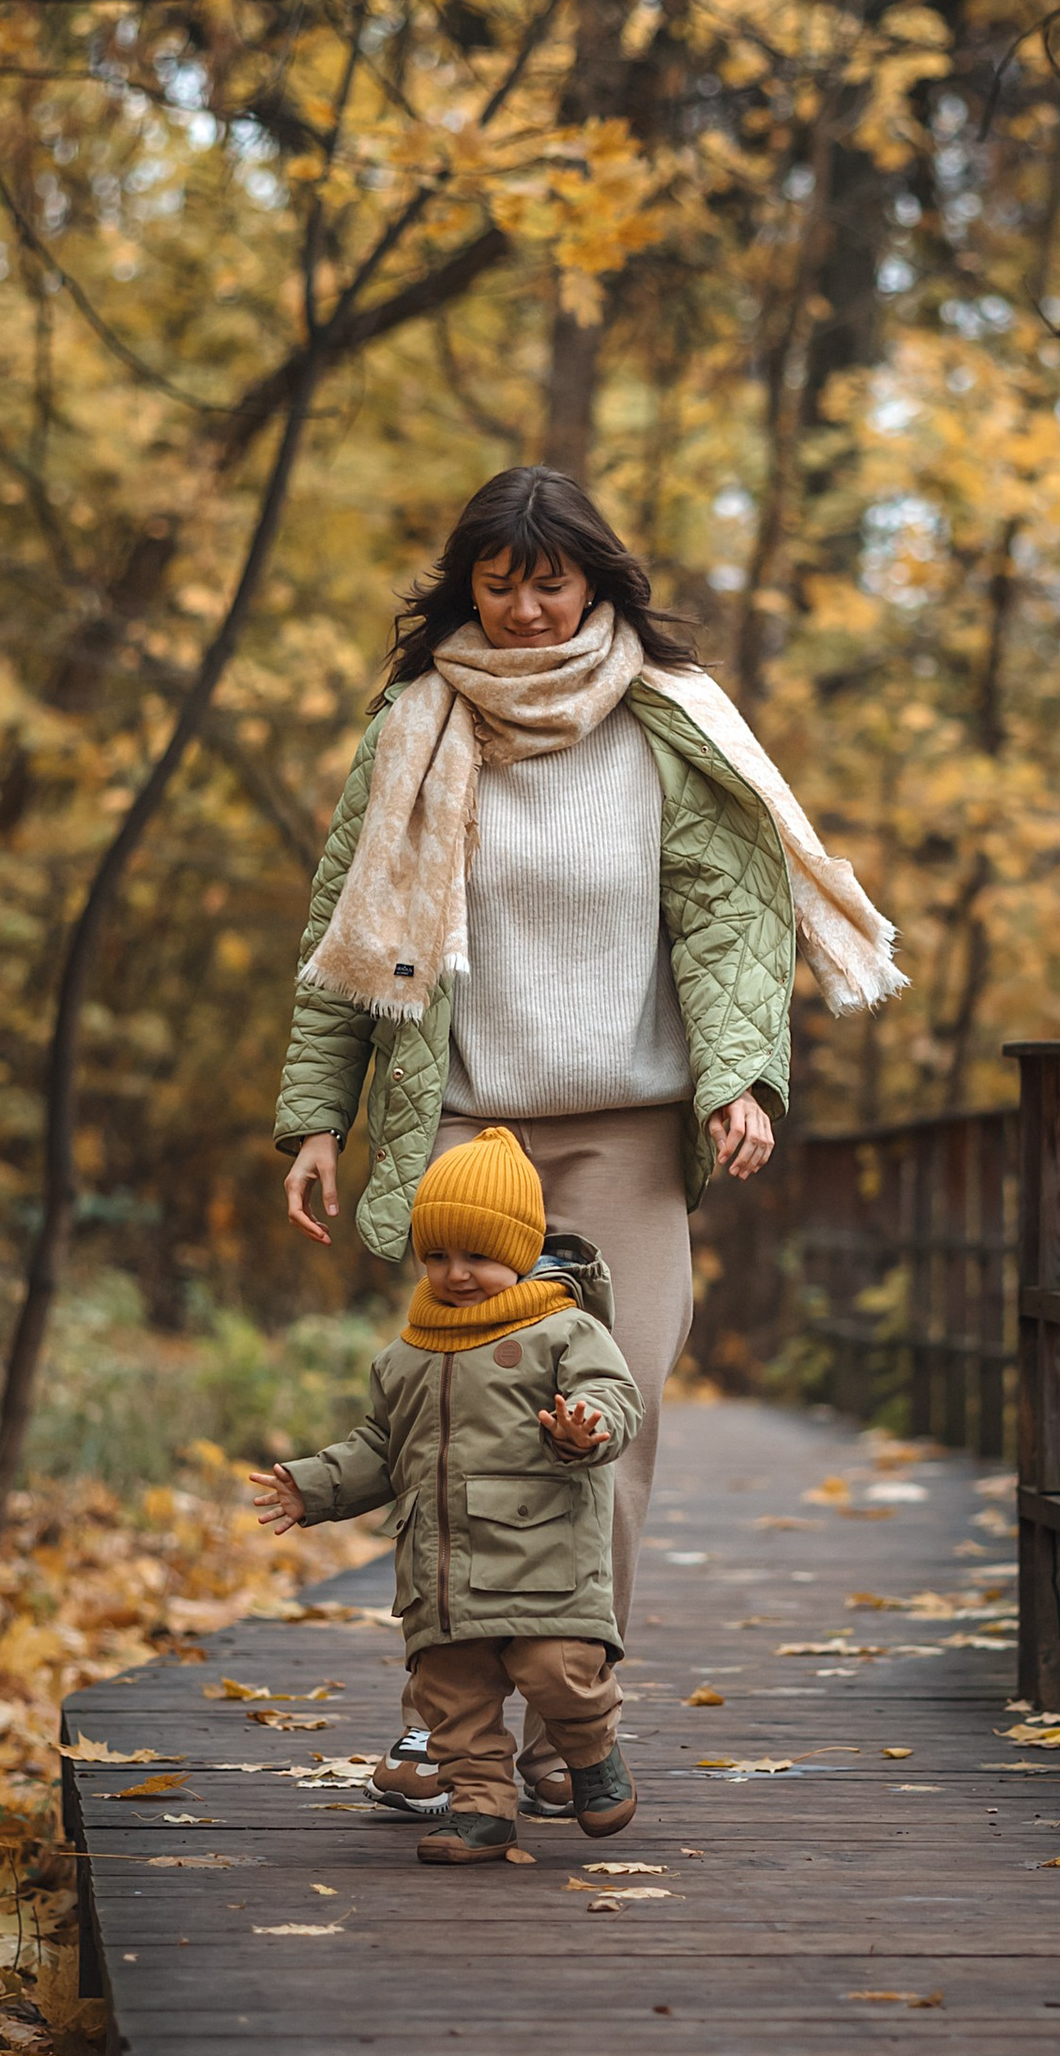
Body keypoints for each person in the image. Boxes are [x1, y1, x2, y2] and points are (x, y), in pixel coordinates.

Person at [271, 465, 900, 1818]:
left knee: (605, 1416)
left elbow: (727, 928)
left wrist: (743, 1081)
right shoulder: (415, 726)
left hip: (623, 1122)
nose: (522, 610)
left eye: (549, 581)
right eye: (496, 583)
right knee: (461, 1418)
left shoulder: (674, 727)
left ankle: (571, 1720)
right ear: (467, 586)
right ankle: (445, 1731)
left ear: (598, 581)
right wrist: (317, 1116)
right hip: (460, 1120)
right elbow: (346, 937)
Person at [248, 1127, 644, 1868]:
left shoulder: (563, 1329)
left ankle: (593, 1756)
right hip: (444, 1570)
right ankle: (480, 1810)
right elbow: (382, 1446)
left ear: (524, 1250)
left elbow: (612, 1395)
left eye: (478, 1256)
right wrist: (315, 1487)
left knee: (558, 1670)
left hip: (543, 1561)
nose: (456, 1273)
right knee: (453, 1700)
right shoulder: (406, 1354)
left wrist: (584, 1426)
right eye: (437, 1256)